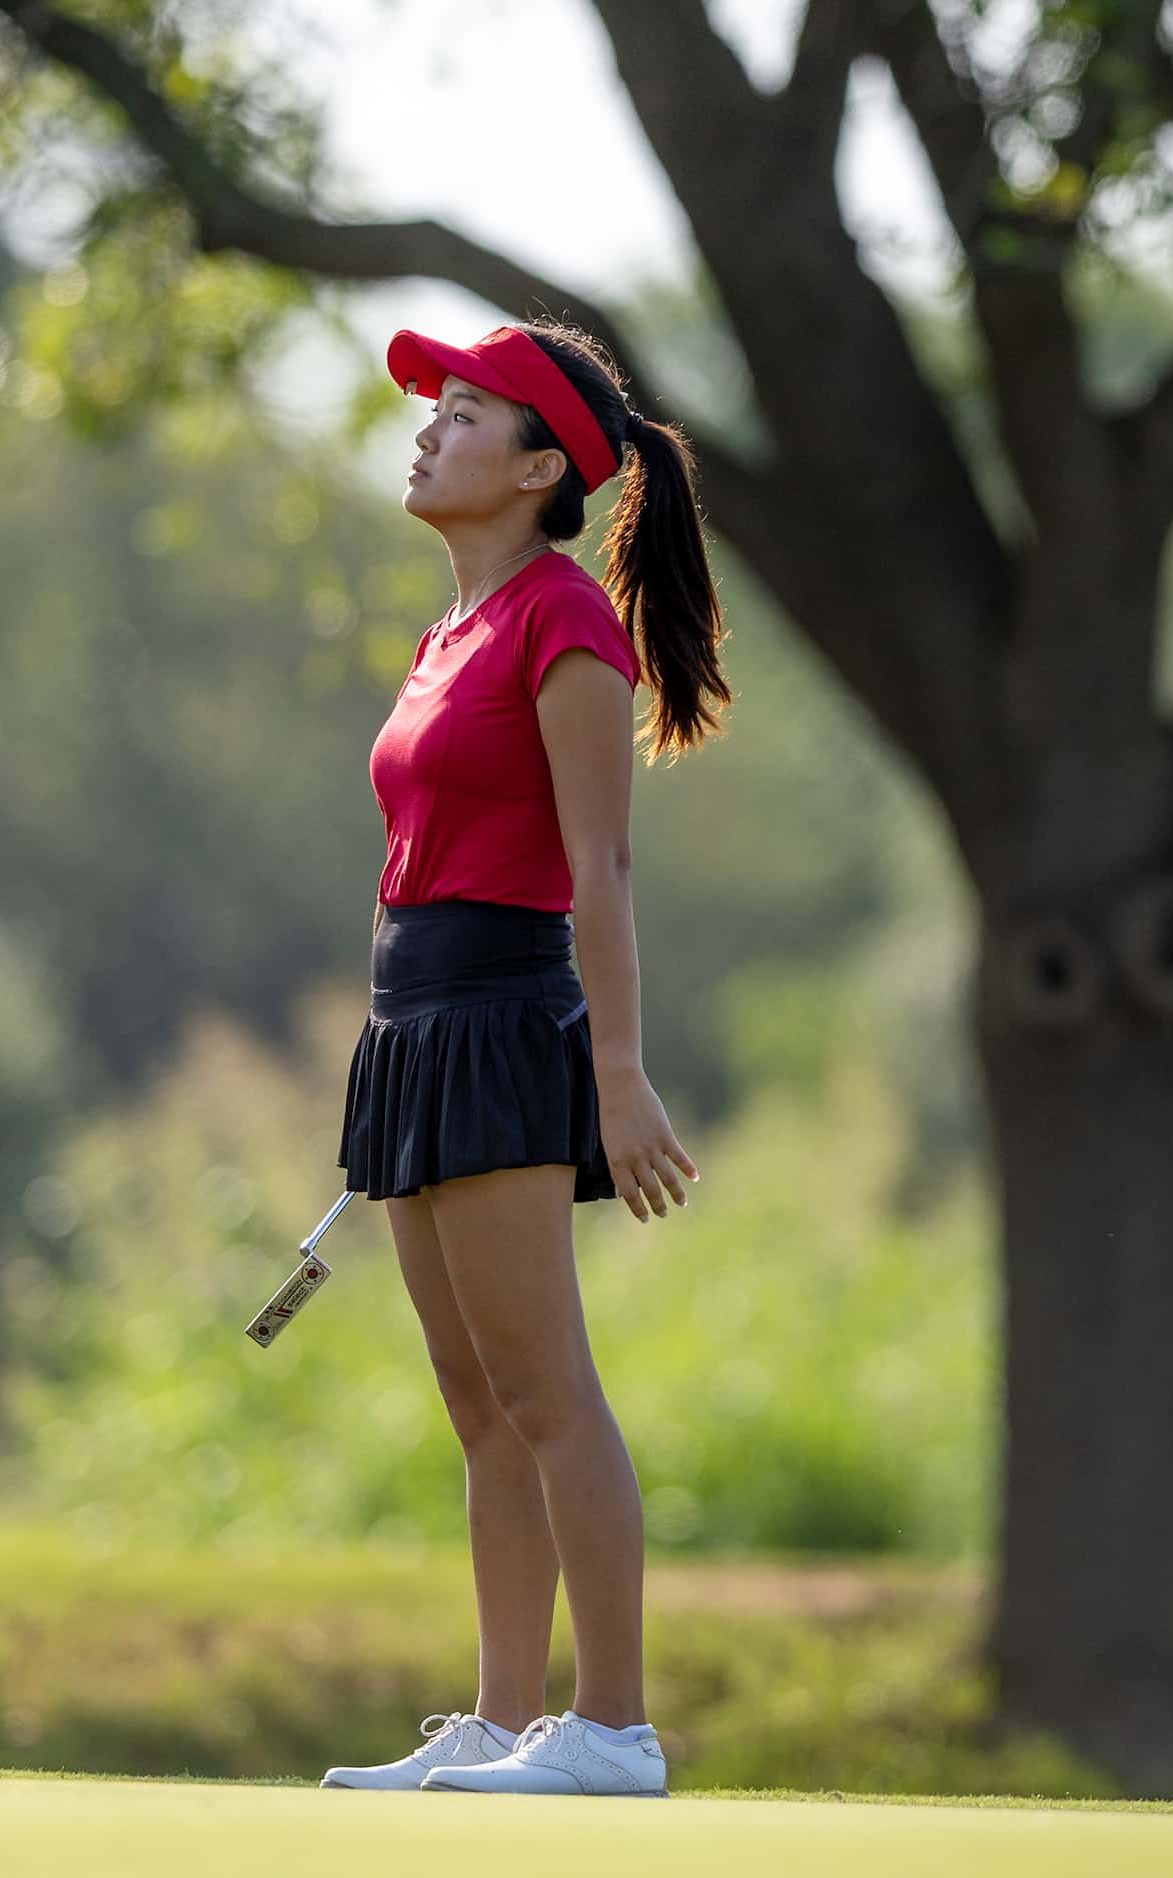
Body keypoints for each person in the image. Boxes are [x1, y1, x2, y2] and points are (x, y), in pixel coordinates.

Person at [318, 318, 729, 1798]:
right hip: (415, 1028)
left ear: (542, 466)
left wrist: (616, 1074)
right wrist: (381, 1066)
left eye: (466, 413)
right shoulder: (450, 631)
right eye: (435, 410)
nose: (429, 429)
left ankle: (612, 1725)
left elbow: (600, 866)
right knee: (477, 1398)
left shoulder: (565, 620)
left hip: (503, 1020)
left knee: (548, 1387)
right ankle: (500, 1722)